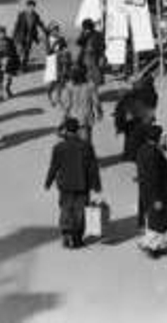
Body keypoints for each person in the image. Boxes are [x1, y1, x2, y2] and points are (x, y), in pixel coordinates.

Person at [45, 117, 102, 249]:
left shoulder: (59, 147)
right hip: (83, 184)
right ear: (78, 130)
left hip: (65, 184)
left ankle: (66, 234)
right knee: (80, 210)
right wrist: (96, 184)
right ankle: (77, 238)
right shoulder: (86, 146)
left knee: (66, 208)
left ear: (66, 130)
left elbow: (54, 166)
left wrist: (48, 181)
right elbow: (92, 167)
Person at [135, 124, 167, 258]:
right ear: (157, 138)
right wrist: (157, 199)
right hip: (157, 194)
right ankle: (153, 248)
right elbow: (154, 178)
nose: (165, 138)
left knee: (151, 219)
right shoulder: (153, 154)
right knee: (158, 221)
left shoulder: (144, 149)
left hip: (146, 192)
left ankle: (146, 242)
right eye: (163, 136)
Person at [115, 73, 159, 166]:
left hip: (136, 118)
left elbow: (132, 101)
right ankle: (134, 156)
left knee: (133, 138)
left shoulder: (140, 91)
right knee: (138, 139)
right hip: (144, 118)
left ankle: (132, 156)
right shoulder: (153, 93)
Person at [57, 65, 102, 144]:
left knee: (73, 143)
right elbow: (96, 101)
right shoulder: (90, 85)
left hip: (73, 120)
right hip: (87, 118)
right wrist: (99, 112)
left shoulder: (69, 86)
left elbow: (67, 106)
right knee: (86, 143)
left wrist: (62, 119)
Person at [13, 0, 44, 71]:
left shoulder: (35, 15)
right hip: (21, 36)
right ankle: (18, 65)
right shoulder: (22, 15)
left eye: (33, 7)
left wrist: (46, 30)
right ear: (27, 7)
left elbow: (40, 23)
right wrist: (14, 35)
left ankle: (24, 67)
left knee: (27, 51)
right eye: (30, 7)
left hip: (30, 37)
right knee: (20, 51)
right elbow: (17, 25)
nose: (32, 8)